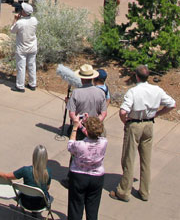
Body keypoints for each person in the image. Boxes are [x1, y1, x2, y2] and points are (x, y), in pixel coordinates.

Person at [111, 65, 176, 202]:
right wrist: (157, 114)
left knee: (129, 157)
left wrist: (125, 121)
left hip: (134, 124)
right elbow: (172, 104)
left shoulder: (133, 92)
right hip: (149, 125)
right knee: (146, 160)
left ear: (136, 76)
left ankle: (124, 191)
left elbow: (123, 111)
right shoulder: (156, 90)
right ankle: (144, 191)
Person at [0, 145, 52, 211]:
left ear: (34, 157)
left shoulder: (25, 170)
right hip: (41, 205)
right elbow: (47, 188)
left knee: (19, 191)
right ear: (45, 158)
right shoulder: (48, 172)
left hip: (25, 203)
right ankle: (35, 213)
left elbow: (6, 176)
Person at [68, 117, 108, 220]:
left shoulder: (80, 145)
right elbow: (93, 135)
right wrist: (85, 125)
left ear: (87, 130)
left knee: (75, 207)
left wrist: (75, 127)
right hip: (96, 177)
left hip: (78, 176)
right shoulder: (104, 142)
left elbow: (70, 145)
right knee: (92, 209)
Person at [67, 65, 107, 140]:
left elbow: (72, 114)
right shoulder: (101, 93)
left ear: (81, 78)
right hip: (96, 131)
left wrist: (81, 127)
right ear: (92, 78)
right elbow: (104, 114)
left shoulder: (76, 93)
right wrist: (94, 125)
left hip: (79, 131)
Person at [10, 2, 38, 92]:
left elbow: (12, 30)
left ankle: (20, 86)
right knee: (31, 65)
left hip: (22, 48)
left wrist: (15, 20)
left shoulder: (20, 23)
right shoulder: (34, 20)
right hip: (32, 46)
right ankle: (32, 84)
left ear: (24, 12)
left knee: (21, 67)